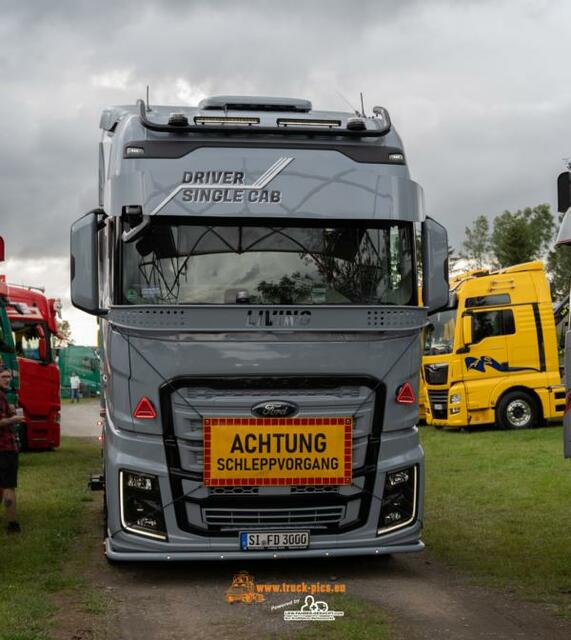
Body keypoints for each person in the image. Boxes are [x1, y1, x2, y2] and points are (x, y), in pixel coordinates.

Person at [0, 368, 24, 533]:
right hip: (5, 448)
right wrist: (13, 419)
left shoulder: (3, 397)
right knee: (9, 486)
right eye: (3, 377)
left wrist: (10, 412)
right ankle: (13, 524)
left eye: (9, 376)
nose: (7, 380)